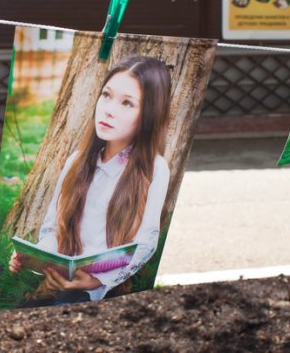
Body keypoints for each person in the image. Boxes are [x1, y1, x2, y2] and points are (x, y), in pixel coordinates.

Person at [9, 55, 172, 305]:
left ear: (149, 114)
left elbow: (146, 241)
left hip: (99, 288)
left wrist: (96, 281)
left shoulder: (154, 169)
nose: (108, 109)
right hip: (61, 282)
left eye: (127, 103)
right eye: (106, 95)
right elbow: (53, 227)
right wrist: (38, 258)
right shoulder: (77, 160)